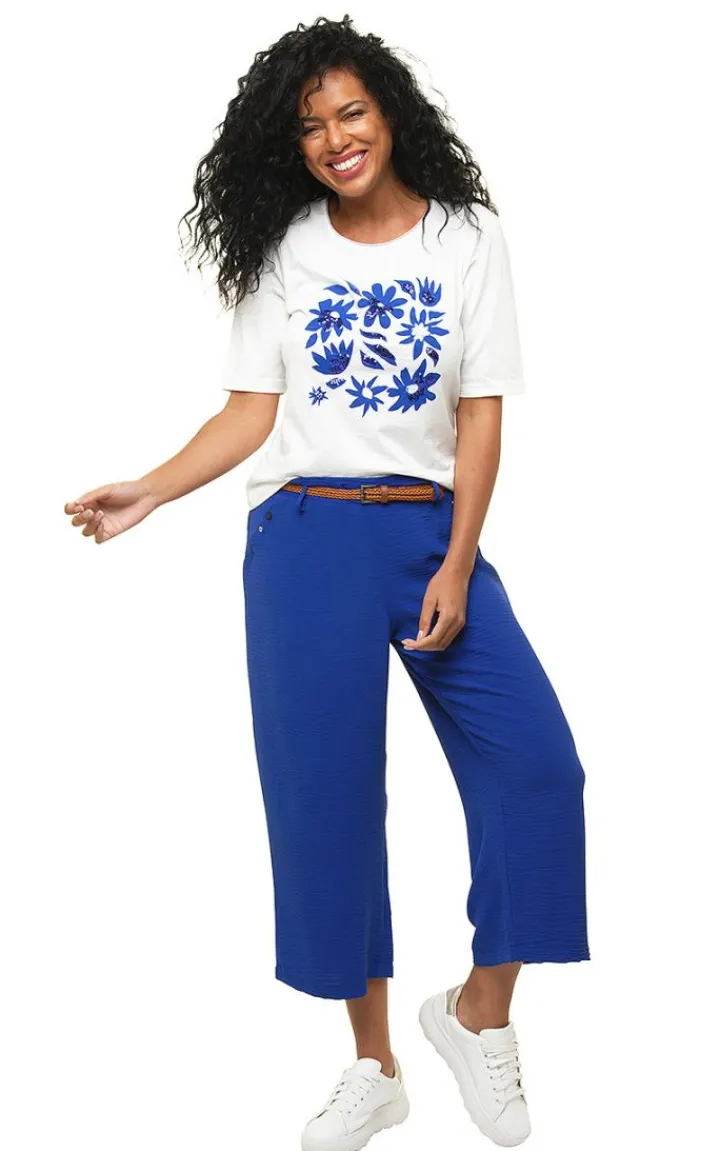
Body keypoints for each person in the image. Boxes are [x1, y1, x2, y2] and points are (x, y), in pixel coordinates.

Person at [64, 15, 589, 1150]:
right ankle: (374, 1064)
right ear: (291, 146)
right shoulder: (286, 250)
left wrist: (458, 559)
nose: (336, 138)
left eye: (352, 112)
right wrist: (153, 488)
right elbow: (251, 411)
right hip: (304, 537)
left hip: (428, 532)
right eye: (310, 127)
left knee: (539, 768)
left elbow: (481, 411)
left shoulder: (466, 237)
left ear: (390, 114)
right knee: (329, 799)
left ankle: (478, 1010)